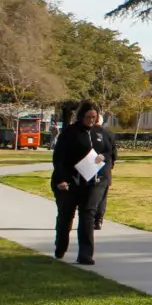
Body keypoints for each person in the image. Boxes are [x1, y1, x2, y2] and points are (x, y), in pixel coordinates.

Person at [50, 101, 111, 265]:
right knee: (66, 217)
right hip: (70, 182)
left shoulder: (99, 133)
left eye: (94, 117)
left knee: (87, 216)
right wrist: (62, 179)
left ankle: (85, 255)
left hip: (91, 182)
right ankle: (60, 247)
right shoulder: (70, 133)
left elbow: (108, 151)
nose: (91, 120)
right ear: (81, 116)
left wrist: (103, 157)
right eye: (88, 117)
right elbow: (59, 158)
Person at [91, 117, 118, 230]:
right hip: (104, 168)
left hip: (89, 167)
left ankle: (89, 218)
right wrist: (111, 164)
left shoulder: (87, 133)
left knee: (89, 194)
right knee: (102, 196)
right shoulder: (109, 134)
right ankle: (99, 220)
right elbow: (114, 153)